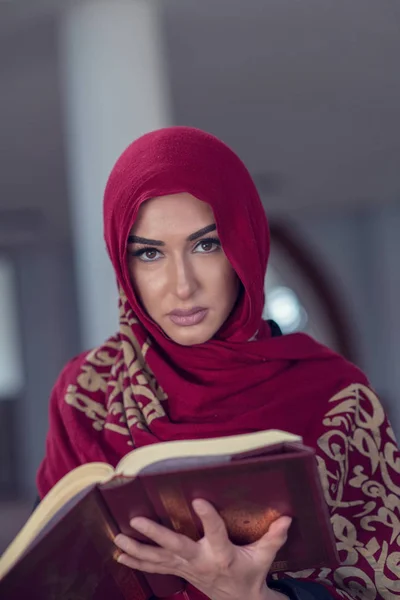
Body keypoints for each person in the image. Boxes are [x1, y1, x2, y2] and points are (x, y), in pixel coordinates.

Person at [37, 126, 400, 600]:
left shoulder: (336, 398)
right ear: (123, 267)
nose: (182, 285)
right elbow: (54, 580)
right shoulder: (85, 392)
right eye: (149, 253)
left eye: (206, 244)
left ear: (244, 245)